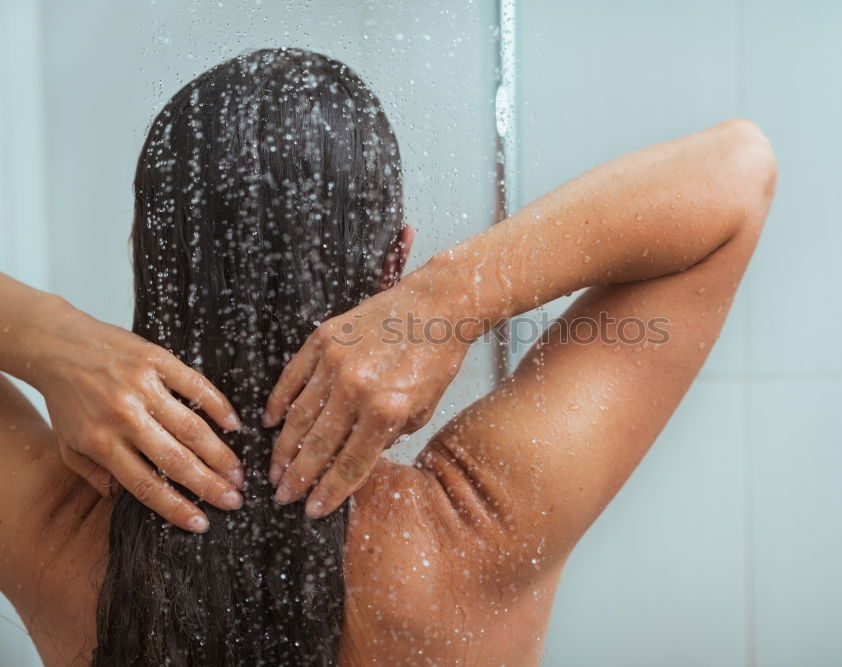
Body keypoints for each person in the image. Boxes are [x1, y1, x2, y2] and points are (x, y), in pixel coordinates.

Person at [0, 47, 775, 666]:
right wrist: (450, 298)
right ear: (392, 262)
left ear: (145, 256)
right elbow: (738, 171)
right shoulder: (474, 529)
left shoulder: (56, 533)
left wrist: (41, 332)